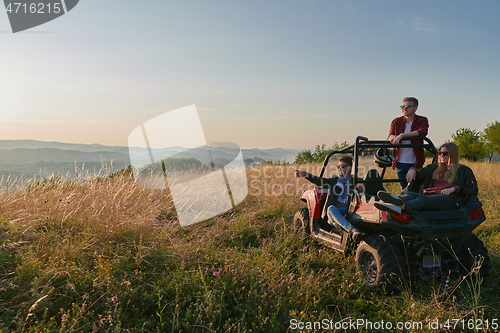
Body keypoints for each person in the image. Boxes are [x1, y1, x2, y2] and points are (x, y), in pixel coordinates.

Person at [374, 142, 478, 215]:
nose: (441, 155)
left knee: (421, 199)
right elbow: (421, 172)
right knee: (410, 194)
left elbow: (472, 189)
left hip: (448, 199)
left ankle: (401, 207)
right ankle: (391, 203)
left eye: (445, 153)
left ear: (453, 154)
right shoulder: (435, 167)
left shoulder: (463, 170)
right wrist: (412, 169)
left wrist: (455, 189)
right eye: (440, 153)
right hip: (430, 195)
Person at [295, 156, 365, 241]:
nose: (339, 169)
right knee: (330, 209)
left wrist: (361, 185)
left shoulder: (357, 180)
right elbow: (319, 181)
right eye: (338, 167)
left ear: (351, 168)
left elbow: (365, 188)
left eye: (342, 167)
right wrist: (305, 174)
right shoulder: (334, 181)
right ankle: (353, 230)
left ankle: (346, 226)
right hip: (335, 213)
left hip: (351, 211)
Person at [387, 97, 429, 189]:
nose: (404, 109)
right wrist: (393, 137)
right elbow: (389, 136)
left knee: (415, 188)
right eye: (402, 106)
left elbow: (422, 132)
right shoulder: (396, 121)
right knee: (404, 189)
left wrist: (402, 135)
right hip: (399, 162)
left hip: (415, 162)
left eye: (407, 106)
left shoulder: (422, 120)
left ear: (415, 108)